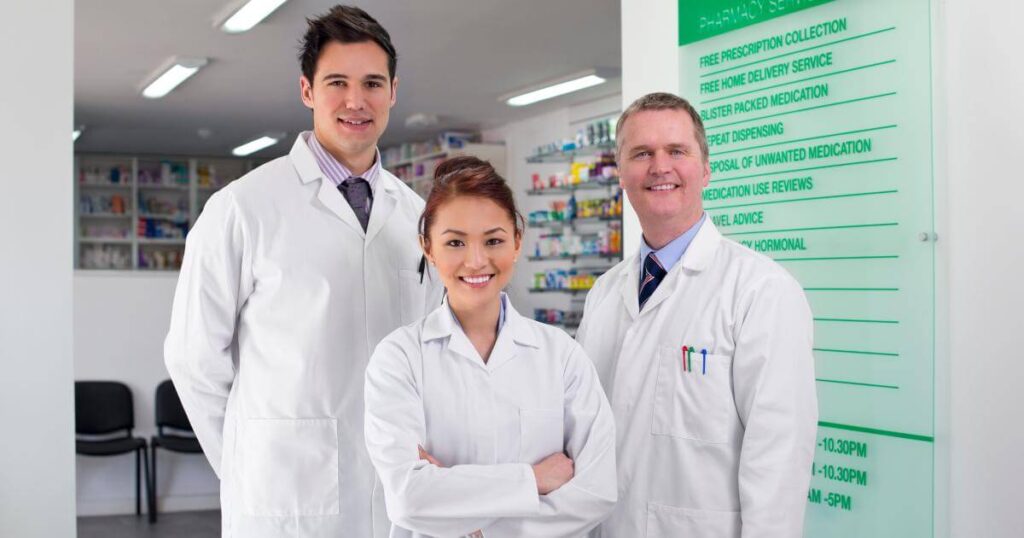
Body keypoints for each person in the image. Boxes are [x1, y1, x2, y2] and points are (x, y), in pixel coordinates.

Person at [163, 6, 442, 537]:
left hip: (396, 501)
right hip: (283, 503)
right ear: (307, 91)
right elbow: (193, 359)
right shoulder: (242, 209)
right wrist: (251, 464)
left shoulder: (417, 217)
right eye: (337, 82)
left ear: (394, 91)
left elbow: (429, 355)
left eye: (372, 83)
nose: (356, 101)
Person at [576, 92, 818, 537]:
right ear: (622, 175)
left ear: (705, 169)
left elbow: (779, 458)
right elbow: (581, 430)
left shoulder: (760, 291)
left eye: (677, 151)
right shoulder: (604, 294)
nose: (660, 166)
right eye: (642, 153)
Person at [364, 156, 617, 538]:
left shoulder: (560, 355)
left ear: (516, 242)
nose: (477, 260)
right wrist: (532, 479)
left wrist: (467, 516)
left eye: (494, 240)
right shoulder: (399, 358)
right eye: (455, 242)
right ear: (428, 248)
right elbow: (408, 498)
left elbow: (595, 492)